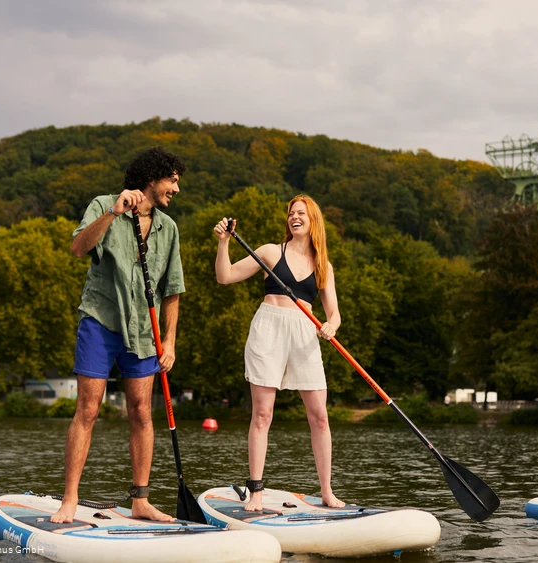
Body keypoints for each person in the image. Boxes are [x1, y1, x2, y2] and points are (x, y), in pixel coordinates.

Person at [51, 147, 187, 523]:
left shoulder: (169, 229)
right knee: (88, 409)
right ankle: (70, 498)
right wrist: (114, 213)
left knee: (142, 411)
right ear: (152, 178)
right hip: (100, 320)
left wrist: (170, 340)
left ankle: (141, 501)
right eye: (172, 180)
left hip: (145, 331)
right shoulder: (103, 204)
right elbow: (78, 247)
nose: (176, 189)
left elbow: (172, 290)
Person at [212, 195, 345, 511]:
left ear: (313, 220)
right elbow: (225, 276)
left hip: (304, 334)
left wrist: (331, 326)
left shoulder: (323, 266)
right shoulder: (271, 252)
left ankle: (327, 491)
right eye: (291, 213)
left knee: (320, 416)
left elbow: (334, 313)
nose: (294, 217)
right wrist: (223, 242)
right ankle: (256, 491)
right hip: (269, 329)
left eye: (301, 213)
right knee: (262, 414)